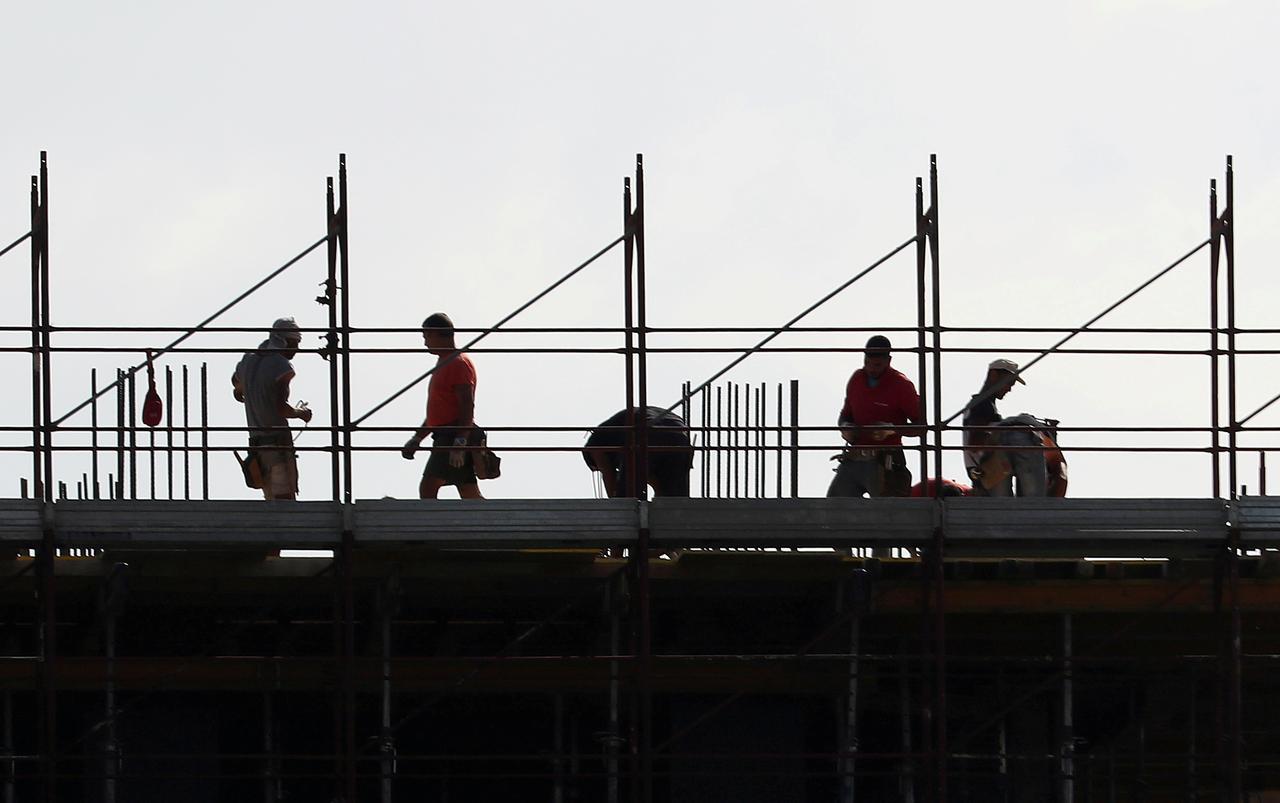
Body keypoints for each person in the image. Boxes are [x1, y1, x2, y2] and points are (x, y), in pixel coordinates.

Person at [827, 335, 924, 498]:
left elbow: (921, 426)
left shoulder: (901, 385)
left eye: (877, 365)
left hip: (886, 459)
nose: (871, 369)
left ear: (889, 361)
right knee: (833, 506)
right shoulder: (857, 380)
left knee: (887, 512)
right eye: (867, 363)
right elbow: (845, 416)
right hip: (855, 457)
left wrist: (892, 430)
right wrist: (846, 428)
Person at [401, 313, 483, 499]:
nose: (425, 342)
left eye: (427, 336)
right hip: (448, 434)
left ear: (439, 334)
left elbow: (466, 405)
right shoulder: (445, 363)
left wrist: (459, 443)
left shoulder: (458, 363)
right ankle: (494, 522)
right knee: (468, 491)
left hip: (451, 435)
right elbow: (438, 410)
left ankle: (431, 526)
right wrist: (417, 438)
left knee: (428, 488)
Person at [232, 317, 312, 500]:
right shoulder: (282, 366)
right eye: (295, 343)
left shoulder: (248, 361)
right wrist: (301, 414)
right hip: (276, 445)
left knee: (270, 499)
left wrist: (248, 391)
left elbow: (236, 385)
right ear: (284, 340)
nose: (297, 349)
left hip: (256, 446)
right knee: (285, 500)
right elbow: (281, 409)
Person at [962, 358, 1048, 497]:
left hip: (984, 475)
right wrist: (1011, 423)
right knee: (1021, 437)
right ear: (993, 375)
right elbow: (975, 444)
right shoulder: (982, 405)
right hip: (988, 472)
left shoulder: (982, 405)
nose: (1009, 388)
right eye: (1008, 382)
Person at [584, 407, 694, 498]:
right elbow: (650, 475)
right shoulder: (615, 431)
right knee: (673, 499)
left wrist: (615, 506)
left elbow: (609, 477)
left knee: (627, 497)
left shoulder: (595, 445)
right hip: (680, 437)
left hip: (646, 435)